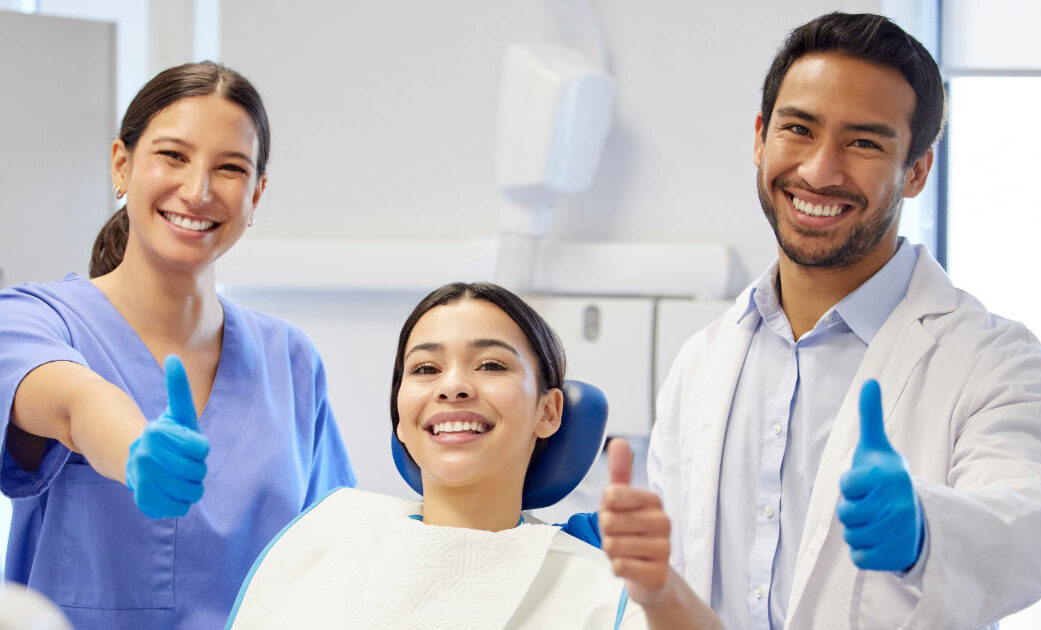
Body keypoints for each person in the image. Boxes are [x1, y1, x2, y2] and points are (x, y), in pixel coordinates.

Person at [645, 11, 1041, 630]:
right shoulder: (703, 360)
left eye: (864, 142)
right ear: (760, 137)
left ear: (918, 171)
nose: (820, 171)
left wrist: (925, 531)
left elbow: (1038, 518)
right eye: (798, 129)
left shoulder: (996, 362)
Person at [0, 62, 355, 629]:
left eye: (231, 168)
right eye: (173, 156)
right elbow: (75, 402)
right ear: (122, 165)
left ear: (257, 194)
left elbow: (336, 552)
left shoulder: (291, 361)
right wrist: (135, 447)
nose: (198, 190)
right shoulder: (33, 320)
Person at [226, 282, 721, 629]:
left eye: (489, 364)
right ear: (400, 416)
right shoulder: (323, 540)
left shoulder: (599, 589)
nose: (454, 386)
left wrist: (662, 593)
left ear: (549, 411)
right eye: (424, 369)